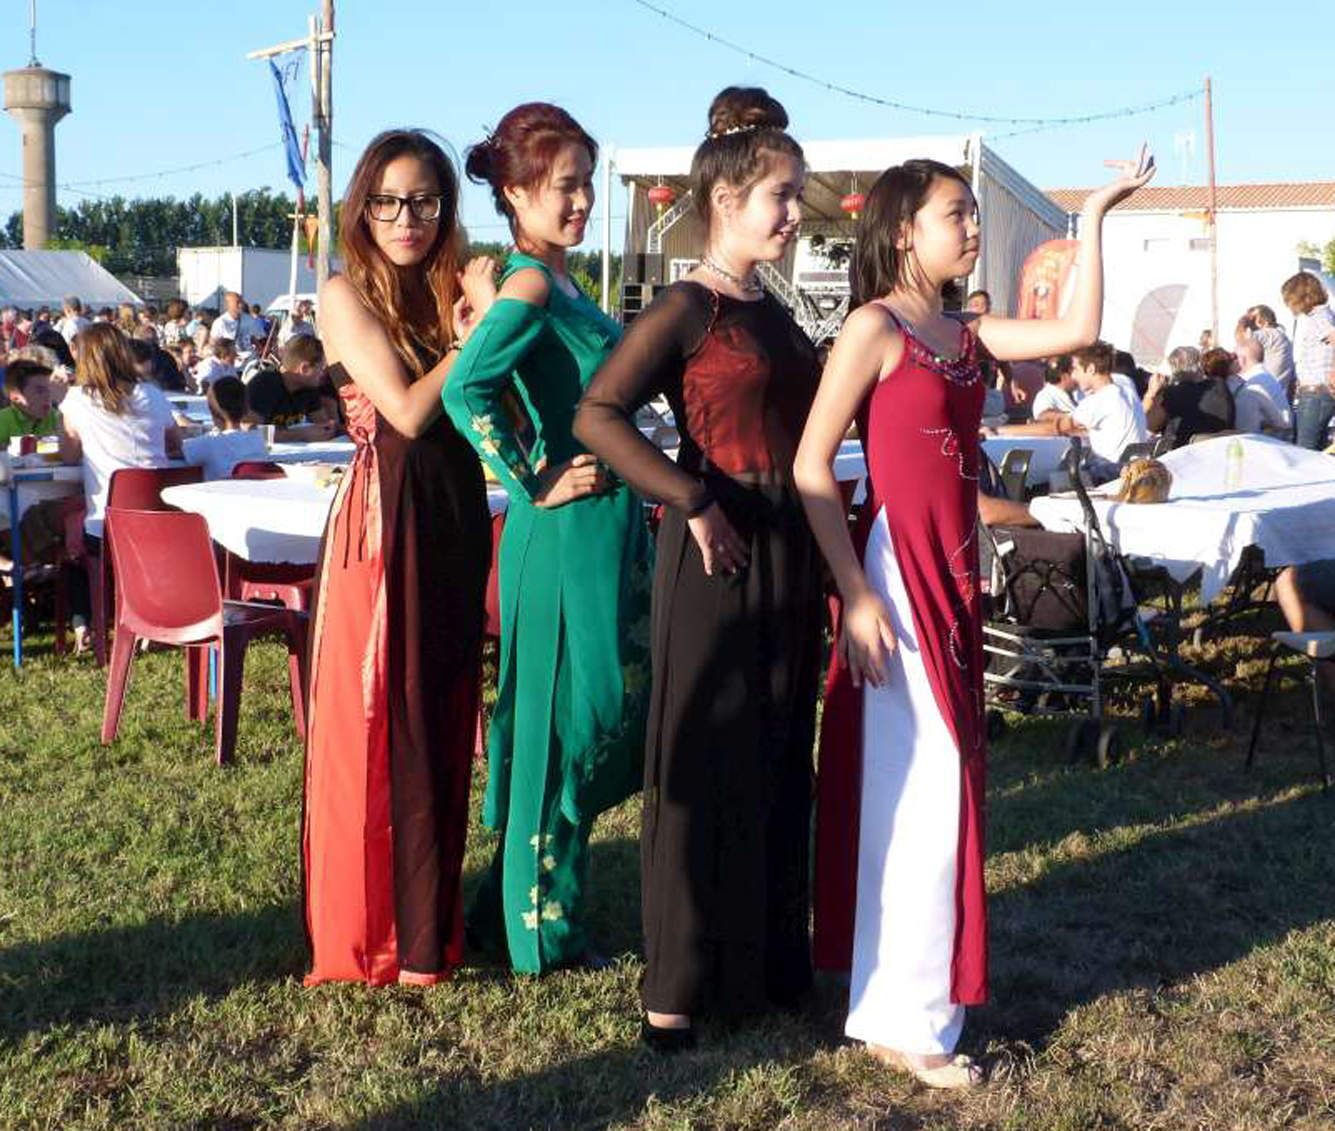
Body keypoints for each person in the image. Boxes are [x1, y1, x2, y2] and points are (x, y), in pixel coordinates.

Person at [793, 152, 1152, 1089]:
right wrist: (854, 593)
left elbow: (1078, 328)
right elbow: (809, 466)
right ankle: (906, 1017)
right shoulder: (873, 328)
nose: (971, 227)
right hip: (895, 575)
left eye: (969, 213)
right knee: (923, 786)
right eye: (954, 214)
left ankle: (901, 1004)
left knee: (941, 785)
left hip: (954, 574)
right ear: (902, 230)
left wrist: (1094, 216)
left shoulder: (963, 332)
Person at [575, 86, 823, 1048]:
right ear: (725, 199)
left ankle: (763, 969)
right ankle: (673, 989)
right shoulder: (687, 305)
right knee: (701, 757)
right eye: (781, 195)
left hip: (787, 540)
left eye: (796, 194)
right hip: (716, 541)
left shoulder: (773, 307)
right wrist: (691, 498)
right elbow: (598, 415)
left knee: (775, 751)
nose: (795, 212)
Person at [443, 102, 654, 976]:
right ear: (516, 193)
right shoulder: (530, 286)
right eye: (564, 186)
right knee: (564, 721)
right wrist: (528, 476)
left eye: (586, 184)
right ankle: (539, 932)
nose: (581, 201)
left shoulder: (557, 284)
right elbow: (465, 390)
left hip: (598, 527)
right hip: (560, 529)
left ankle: (504, 909)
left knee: (586, 712)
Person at [302, 128, 492, 987]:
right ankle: (385, 934)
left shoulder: (446, 292)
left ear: (445, 208)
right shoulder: (343, 294)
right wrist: (468, 340)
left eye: (423, 201)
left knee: (443, 714)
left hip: (453, 512)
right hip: (384, 522)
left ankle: (432, 924)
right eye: (387, 201)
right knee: (387, 715)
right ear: (362, 209)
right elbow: (408, 413)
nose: (405, 218)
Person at [58, 322, 181, 651]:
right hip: (160, 521)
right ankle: (149, 620)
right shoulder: (152, 394)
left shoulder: (77, 399)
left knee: (71, 525)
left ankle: (87, 620)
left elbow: (68, 455)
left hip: (108, 528)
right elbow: (174, 443)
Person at [989, 341, 1148, 483]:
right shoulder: (1128, 393)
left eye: (1075, 369)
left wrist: (998, 430)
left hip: (1110, 475)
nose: (1073, 375)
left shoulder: (1100, 400)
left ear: (1091, 369)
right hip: (1132, 473)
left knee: (1053, 480)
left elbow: (1056, 428)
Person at [1142, 343, 1235, 447]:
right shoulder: (1220, 386)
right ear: (1199, 365)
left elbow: (1149, 426)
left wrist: (1151, 393)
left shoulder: (1172, 394)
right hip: (1220, 448)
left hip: (1183, 451)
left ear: (1173, 369)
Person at [1282, 271, 1335, 450]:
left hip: (1316, 394)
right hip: (1317, 392)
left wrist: (1333, 374)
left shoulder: (1319, 316)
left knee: (1305, 451)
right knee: (1316, 451)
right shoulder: (1321, 315)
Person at [180, 376, 267, 480]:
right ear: (246, 408)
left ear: (212, 411)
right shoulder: (258, 439)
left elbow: (172, 452)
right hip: (252, 490)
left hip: (218, 490)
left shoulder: (210, 442)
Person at [244, 335, 335, 432]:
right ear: (304, 369)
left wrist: (330, 424)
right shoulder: (263, 385)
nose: (323, 373)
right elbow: (250, 430)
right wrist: (301, 434)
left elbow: (323, 427)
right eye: (321, 368)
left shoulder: (308, 387)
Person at [1231, 336, 1291, 436]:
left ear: (1242, 359)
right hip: (1277, 438)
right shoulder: (1268, 377)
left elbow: (1244, 428)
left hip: (1261, 440)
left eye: (1234, 357)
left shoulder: (1250, 384)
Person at [0, 358, 60, 447]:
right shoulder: (3, 420)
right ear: (15, 396)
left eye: (50, 390)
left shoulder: (56, 417)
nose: (48, 396)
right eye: (40, 391)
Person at [1246, 305, 1295, 397]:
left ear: (1265, 321)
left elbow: (1243, 338)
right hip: (1280, 393)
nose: (1251, 324)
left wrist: (1243, 322)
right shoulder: (1281, 335)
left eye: (1253, 320)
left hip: (1268, 393)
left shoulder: (1270, 334)